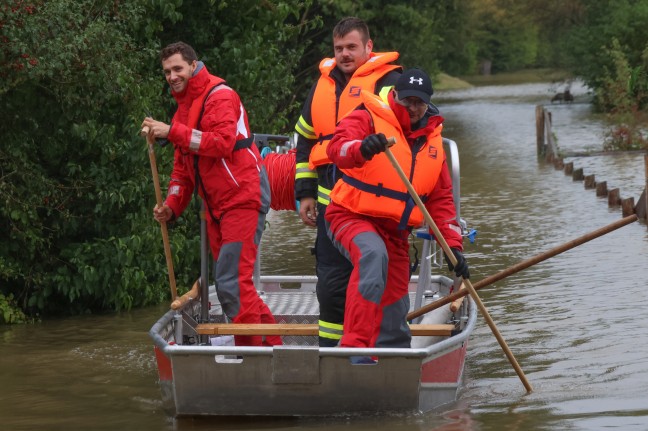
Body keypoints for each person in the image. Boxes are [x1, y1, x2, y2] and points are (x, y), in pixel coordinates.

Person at [141, 42, 281, 347]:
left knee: (232, 283)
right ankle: (274, 349)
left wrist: (171, 131)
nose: (172, 76)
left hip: (243, 196)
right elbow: (181, 171)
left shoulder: (221, 96)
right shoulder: (183, 110)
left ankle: (252, 358)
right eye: (166, 71)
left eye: (177, 68)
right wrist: (171, 205)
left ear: (193, 66)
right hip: (217, 206)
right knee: (235, 284)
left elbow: (221, 143)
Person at [324, 68, 470, 350]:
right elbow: (337, 149)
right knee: (372, 255)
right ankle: (354, 347)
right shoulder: (367, 116)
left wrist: (454, 250)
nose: (413, 108)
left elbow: (441, 204)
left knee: (395, 301)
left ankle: (395, 358)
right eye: (407, 100)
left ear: (428, 103)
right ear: (394, 96)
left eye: (420, 102)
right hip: (350, 215)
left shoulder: (433, 142)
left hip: (396, 232)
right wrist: (362, 148)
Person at [293, 17, 402, 347]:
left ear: (369, 47)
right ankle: (331, 353)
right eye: (339, 48)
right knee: (330, 283)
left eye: (352, 47)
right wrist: (305, 192)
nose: (344, 54)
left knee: (374, 277)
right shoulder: (322, 86)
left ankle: (377, 350)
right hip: (330, 203)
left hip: (372, 204)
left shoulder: (389, 82)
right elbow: (305, 140)